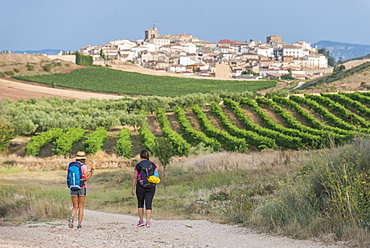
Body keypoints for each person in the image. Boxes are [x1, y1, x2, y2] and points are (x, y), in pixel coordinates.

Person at [68, 151, 95, 229]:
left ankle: (72, 217)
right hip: (82, 187)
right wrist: (92, 171)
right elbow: (86, 178)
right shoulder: (83, 166)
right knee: (81, 206)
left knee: (75, 206)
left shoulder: (70, 165)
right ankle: (79, 225)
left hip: (72, 187)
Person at [132, 150, 158, 227]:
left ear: (140, 156)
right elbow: (156, 176)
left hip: (140, 186)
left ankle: (141, 221)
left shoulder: (138, 165)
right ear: (148, 156)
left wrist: (133, 188)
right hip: (151, 187)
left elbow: (135, 177)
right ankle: (148, 222)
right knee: (149, 204)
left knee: (140, 203)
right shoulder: (153, 165)